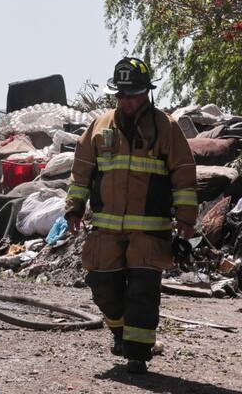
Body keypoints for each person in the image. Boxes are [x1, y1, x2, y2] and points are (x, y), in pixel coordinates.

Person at [65, 57, 197, 374]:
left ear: (147, 93)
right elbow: (81, 173)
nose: (127, 101)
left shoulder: (166, 128)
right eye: (121, 94)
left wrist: (186, 220)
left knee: (143, 293)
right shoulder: (99, 127)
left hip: (149, 231)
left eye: (133, 94)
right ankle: (121, 334)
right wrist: (74, 207)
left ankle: (137, 354)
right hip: (106, 230)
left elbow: (184, 176)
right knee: (102, 287)